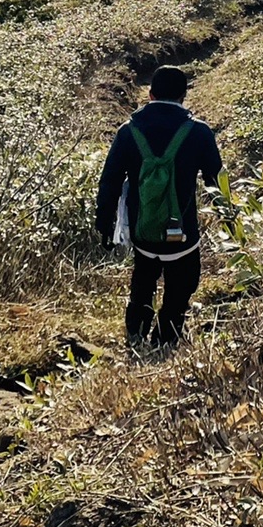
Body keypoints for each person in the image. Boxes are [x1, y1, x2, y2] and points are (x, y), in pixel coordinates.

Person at [94, 65, 223, 348]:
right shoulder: (199, 132)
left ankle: (136, 332)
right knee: (182, 284)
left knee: (143, 279)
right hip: (183, 232)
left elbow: (110, 181)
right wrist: (229, 220)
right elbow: (216, 179)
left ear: (150, 95)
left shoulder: (129, 132)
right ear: (183, 96)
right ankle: (167, 336)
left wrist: (104, 221)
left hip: (143, 230)